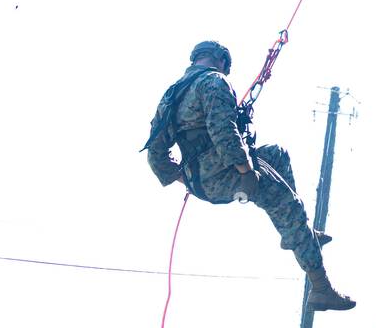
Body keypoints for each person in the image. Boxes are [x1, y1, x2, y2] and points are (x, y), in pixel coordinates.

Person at [143, 40, 355, 311]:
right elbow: (224, 131)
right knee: (288, 205)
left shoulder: (172, 95)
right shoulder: (214, 81)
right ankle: (321, 288)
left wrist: (188, 180)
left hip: (203, 181)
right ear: (221, 61)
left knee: (276, 154)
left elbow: (155, 154)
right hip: (228, 173)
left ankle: (297, 233)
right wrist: (245, 172)